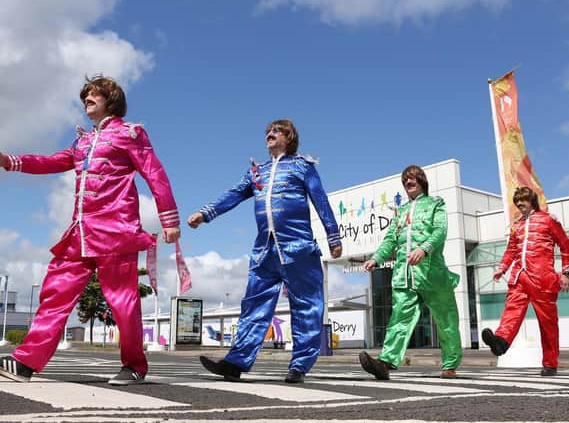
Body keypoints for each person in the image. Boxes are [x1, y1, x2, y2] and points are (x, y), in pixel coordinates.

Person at [0, 75, 180, 385]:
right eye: (86, 95)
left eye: (94, 94)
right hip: (80, 233)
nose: (87, 99)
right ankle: (25, 361)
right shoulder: (82, 141)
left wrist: (169, 219)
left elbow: (155, 173)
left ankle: (135, 364)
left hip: (116, 230)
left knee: (122, 301)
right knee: (55, 294)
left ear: (110, 100)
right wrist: (9, 161)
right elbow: (52, 161)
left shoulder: (129, 133)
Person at [188, 119, 342, 383]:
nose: (270, 134)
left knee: (307, 306)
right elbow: (234, 194)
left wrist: (333, 235)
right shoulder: (257, 172)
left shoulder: (302, 166)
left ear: (290, 138)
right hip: (265, 251)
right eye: (268, 132)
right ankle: (235, 363)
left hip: (298, 249)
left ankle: (300, 366)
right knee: (253, 305)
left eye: (277, 131)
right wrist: (205, 213)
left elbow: (321, 199)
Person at [359, 165, 462, 380]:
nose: (408, 182)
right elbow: (390, 240)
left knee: (446, 320)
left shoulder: (436, 204)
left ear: (422, 180)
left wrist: (424, 249)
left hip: (432, 274)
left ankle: (450, 364)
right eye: (405, 180)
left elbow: (440, 231)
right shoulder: (401, 212)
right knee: (398, 319)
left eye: (412, 178)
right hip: (403, 275)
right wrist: (376, 258)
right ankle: (385, 364)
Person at [482, 186, 569, 377]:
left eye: (524, 200)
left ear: (532, 201)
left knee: (548, 325)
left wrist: (566, 273)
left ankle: (550, 363)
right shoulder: (517, 225)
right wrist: (502, 268)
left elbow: (565, 246)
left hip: (543, 279)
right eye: (517, 201)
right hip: (519, 277)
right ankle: (500, 343)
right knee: (511, 311)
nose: (520, 204)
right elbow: (511, 251)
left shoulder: (548, 220)